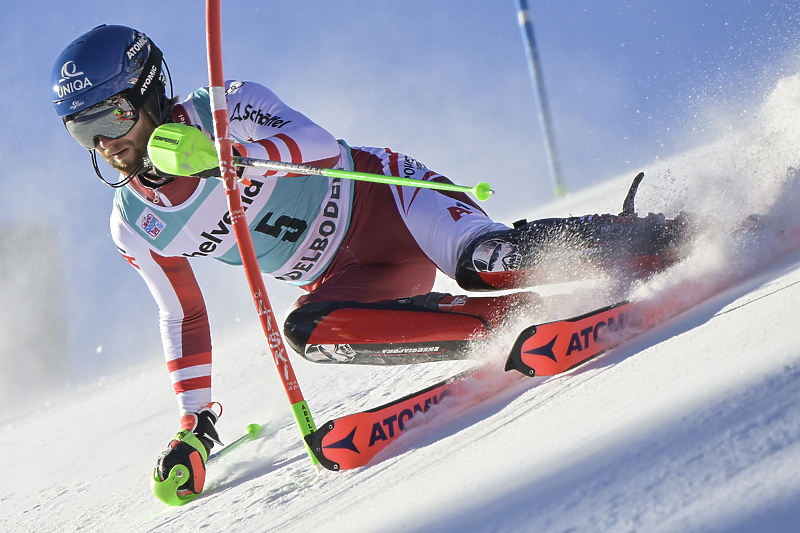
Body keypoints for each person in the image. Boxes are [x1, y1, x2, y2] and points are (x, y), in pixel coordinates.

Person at [52, 24, 688, 496]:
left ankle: (675, 235)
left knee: (489, 260)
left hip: (390, 201)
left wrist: (234, 154)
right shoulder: (136, 226)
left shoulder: (226, 106)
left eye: (115, 116)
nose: (107, 144)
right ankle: (518, 326)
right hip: (348, 277)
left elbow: (321, 145)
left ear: (149, 91)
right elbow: (185, 318)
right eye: (84, 131)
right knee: (310, 331)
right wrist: (195, 426)